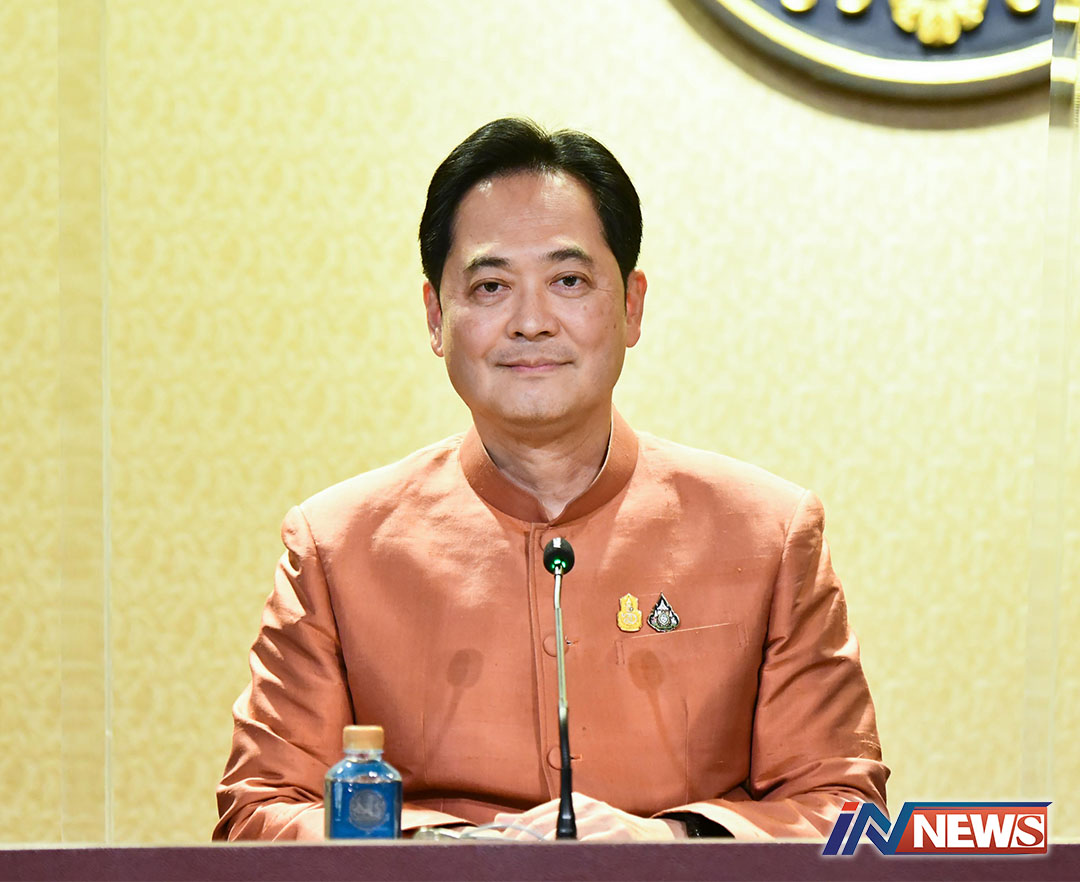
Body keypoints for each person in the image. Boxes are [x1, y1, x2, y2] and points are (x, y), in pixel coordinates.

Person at [214, 118, 888, 842]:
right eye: (491, 286)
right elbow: (260, 812)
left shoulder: (768, 533)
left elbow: (843, 809)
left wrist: (668, 844)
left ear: (631, 306)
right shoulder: (336, 548)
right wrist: (453, 853)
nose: (531, 322)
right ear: (436, 317)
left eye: (568, 281)